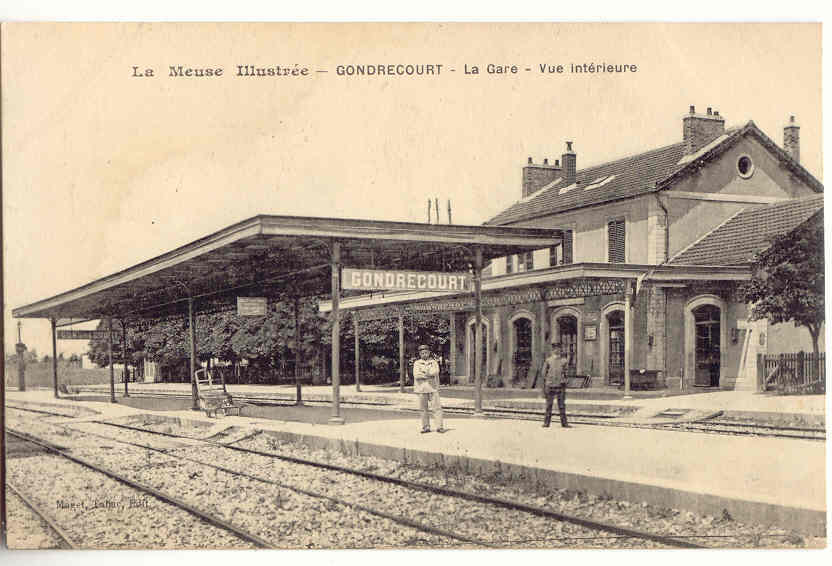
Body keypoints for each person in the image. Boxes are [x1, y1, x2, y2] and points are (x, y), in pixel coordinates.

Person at [413, 344, 445, 433]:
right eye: (422, 353)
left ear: (429, 353)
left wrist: (425, 373)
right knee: (423, 409)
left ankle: (439, 426)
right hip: (421, 388)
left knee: (437, 408)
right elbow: (416, 375)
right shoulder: (417, 363)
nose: (424, 354)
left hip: (433, 388)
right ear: (420, 354)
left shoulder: (433, 362)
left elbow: (435, 371)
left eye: (426, 353)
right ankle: (426, 427)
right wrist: (428, 374)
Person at [541, 342, 570, 428]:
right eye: (555, 349)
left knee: (561, 405)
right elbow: (543, 373)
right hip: (550, 386)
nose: (557, 350)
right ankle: (546, 423)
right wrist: (548, 380)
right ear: (552, 350)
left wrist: (564, 380)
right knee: (549, 405)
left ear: (560, 350)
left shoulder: (564, 361)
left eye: (558, 349)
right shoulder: (548, 360)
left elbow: (567, 373)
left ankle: (564, 423)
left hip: (560, 386)